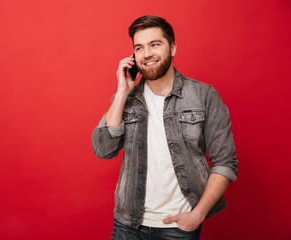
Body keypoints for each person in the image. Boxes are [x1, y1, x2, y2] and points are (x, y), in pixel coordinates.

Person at [91, 15, 238, 240]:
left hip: (180, 227)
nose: (147, 53)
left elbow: (225, 163)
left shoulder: (204, 96)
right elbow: (103, 149)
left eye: (155, 44)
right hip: (128, 225)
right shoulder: (125, 99)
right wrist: (121, 93)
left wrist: (197, 215)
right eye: (139, 48)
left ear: (173, 47)